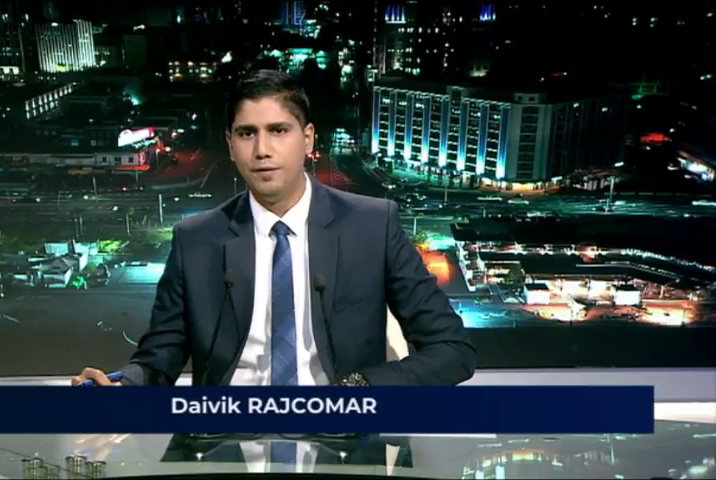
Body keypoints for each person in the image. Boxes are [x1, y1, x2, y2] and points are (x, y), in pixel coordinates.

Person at [73, 69, 476, 389]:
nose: (262, 150)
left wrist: (360, 388)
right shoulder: (196, 239)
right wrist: (122, 384)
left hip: (341, 437)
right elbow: (157, 360)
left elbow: (452, 350)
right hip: (222, 440)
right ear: (230, 145)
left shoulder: (372, 225)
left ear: (308, 139)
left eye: (278, 131)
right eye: (247, 134)